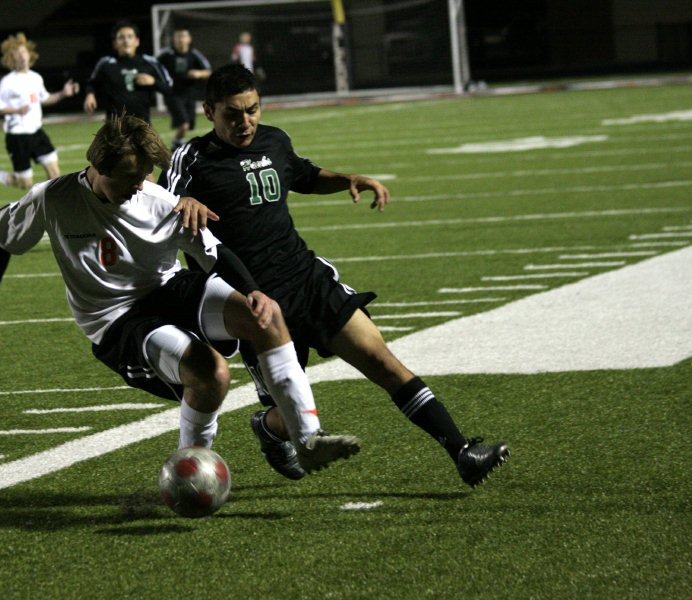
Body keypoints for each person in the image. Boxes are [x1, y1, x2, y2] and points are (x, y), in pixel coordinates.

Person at [161, 64, 510, 486]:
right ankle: (269, 429)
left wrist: (350, 178)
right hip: (252, 304)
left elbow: (304, 176)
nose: (245, 122)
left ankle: (462, 451)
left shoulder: (274, 140)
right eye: (232, 114)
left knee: (381, 360)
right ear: (209, 111)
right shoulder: (191, 158)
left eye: (251, 110)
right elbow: (161, 206)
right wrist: (183, 202)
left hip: (306, 279)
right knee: (293, 419)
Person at [0, 113, 359, 472]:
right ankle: (191, 467)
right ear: (100, 168)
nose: (141, 184)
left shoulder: (158, 201)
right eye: (131, 177)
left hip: (170, 289)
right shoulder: (53, 198)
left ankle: (306, 438)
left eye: (145, 175)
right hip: (117, 320)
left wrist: (253, 291)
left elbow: (215, 253)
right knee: (211, 374)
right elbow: (2, 240)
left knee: (267, 315)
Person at [0, 33, 79, 194]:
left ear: (30, 54)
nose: (21, 56)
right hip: (17, 137)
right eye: (17, 54)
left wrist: (63, 93)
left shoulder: (36, 78)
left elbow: (45, 98)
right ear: (11, 59)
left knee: (54, 174)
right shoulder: (7, 82)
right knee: (24, 183)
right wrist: (17, 111)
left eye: (24, 52)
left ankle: (52, 211)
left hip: (37, 133)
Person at [83, 21, 173, 123]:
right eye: (121, 38)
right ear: (114, 44)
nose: (126, 41)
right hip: (115, 127)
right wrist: (90, 95)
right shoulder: (106, 64)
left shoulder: (149, 63)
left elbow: (170, 88)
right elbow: (91, 83)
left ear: (137, 41)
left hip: (142, 126)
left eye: (130, 37)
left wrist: (153, 82)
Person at [156, 28, 212, 151]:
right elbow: (153, 66)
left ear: (189, 39)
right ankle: (175, 147)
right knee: (184, 124)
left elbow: (208, 71)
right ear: (174, 39)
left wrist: (198, 73)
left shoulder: (194, 54)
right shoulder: (166, 54)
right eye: (178, 36)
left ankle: (177, 144)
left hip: (189, 94)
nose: (181, 39)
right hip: (172, 94)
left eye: (183, 36)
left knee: (189, 124)